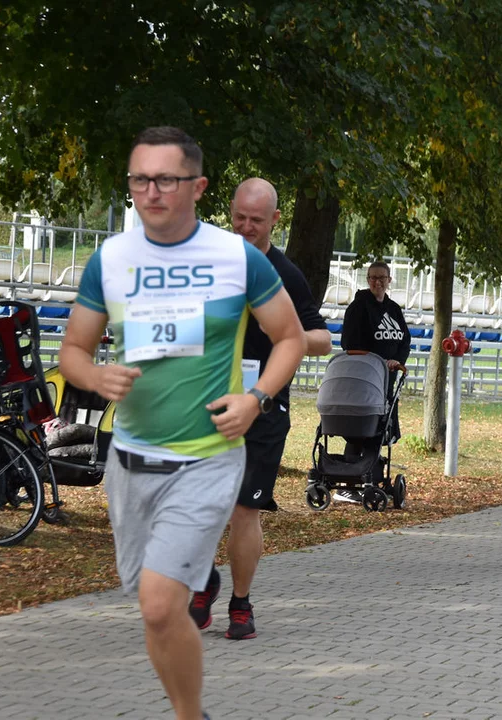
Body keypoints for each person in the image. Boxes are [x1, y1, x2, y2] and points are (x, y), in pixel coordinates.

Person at [59, 127, 307, 720]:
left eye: (165, 179)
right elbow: (72, 351)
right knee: (158, 610)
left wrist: (257, 399)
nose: (151, 192)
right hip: (130, 461)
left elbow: (291, 337)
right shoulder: (112, 260)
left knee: (156, 603)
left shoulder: (234, 257)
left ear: (196, 187)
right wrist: (94, 377)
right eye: (140, 179)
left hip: (205, 458)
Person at [188, 178, 332, 641]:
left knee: (243, 510)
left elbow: (323, 340)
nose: (246, 227)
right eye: (239, 218)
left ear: (275, 220)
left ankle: (241, 603)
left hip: (265, 407)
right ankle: (205, 581)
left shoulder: (284, 274)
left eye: (257, 220)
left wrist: (281, 332)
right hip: (211, 403)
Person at [338, 261, 411, 493]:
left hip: (386, 382)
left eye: (382, 278)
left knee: (380, 429)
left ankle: (369, 474)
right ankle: (348, 484)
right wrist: (376, 360)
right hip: (365, 379)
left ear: (389, 280)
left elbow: (404, 341)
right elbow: (348, 343)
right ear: (367, 280)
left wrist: (397, 361)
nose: (377, 282)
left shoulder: (394, 309)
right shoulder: (359, 308)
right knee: (360, 428)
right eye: (373, 278)